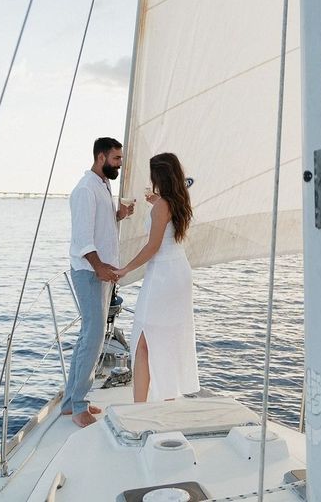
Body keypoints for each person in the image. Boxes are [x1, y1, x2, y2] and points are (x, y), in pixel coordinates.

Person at [62, 137, 134, 427]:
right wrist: (100, 267)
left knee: (89, 337)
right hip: (90, 271)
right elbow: (82, 239)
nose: (120, 164)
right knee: (92, 337)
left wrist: (119, 215)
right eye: (116, 159)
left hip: (101, 271)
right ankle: (78, 405)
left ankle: (70, 402)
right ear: (101, 157)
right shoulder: (85, 190)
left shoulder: (104, 185)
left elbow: (100, 226)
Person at [118, 153, 200, 402]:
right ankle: (167, 398)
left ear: (159, 175)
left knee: (144, 340)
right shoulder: (177, 200)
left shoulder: (163, 205)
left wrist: (125, 269)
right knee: (167, 337)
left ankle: (140, 406)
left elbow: (153, 246)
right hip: (179, 272)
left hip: (162, 276)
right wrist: (156, 201)